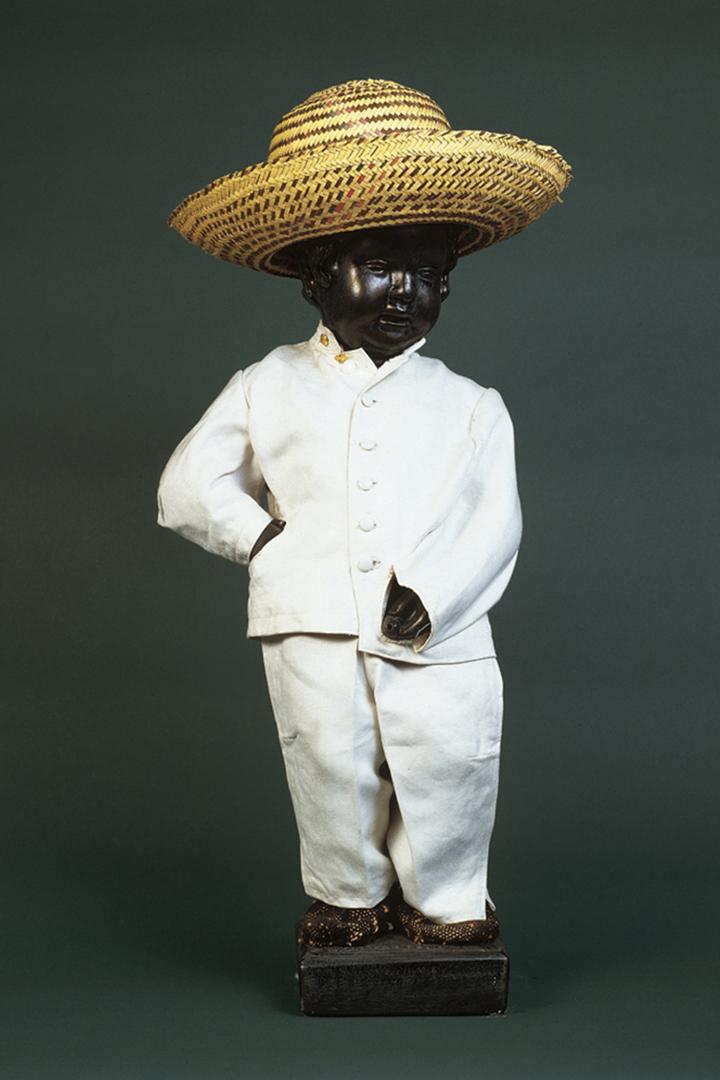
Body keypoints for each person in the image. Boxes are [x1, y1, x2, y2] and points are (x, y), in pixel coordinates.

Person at [157, 78, 572, 947]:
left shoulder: (472, 405)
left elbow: (493, 523)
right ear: (316, 277)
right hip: (306, 619)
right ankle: (347, 894)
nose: (405, 293)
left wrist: (435, 594)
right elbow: (188, 484)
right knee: (326, 762)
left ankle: (450, 900)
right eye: (379, 267)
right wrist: (263, 539)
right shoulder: (266, 384)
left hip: (440, 630)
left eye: (429, 276)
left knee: (449, 760)